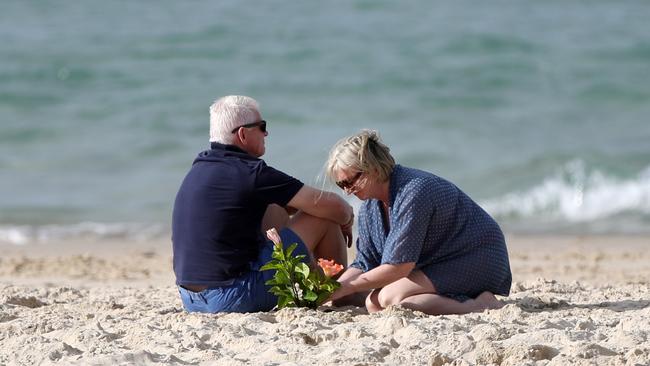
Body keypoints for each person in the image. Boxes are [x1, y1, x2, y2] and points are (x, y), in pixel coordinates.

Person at [172, 95, 354, 313]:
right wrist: (346, 220)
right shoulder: (252, 173)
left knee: (274, 207)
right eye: (261, 127)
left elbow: (290, 205)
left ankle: (314, 280)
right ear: (242, 133)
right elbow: (337, 207)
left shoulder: (200, 166)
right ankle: (337, 293)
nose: (266, 133)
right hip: (232, 296)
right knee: (324, 218)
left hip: (191, 299)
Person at [326, 130, 512, 315]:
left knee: (385, 298)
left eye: (350, 182)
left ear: (372, 168)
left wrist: (347, 286)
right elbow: (365, 263)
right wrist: (333, 288)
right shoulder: (370, 206)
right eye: (341, 185)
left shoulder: (413, 191)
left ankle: (479, 305)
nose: (347, 191)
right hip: (436, 262)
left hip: (478, 256)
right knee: (366, 302)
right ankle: (463, 301)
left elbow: (400, 267)